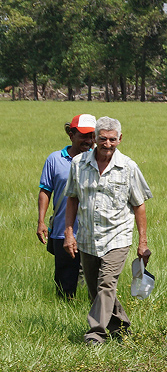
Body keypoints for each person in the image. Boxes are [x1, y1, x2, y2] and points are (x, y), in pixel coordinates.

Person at [62, 117, 152, 345]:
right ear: (95, 138)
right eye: (103, 138)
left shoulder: (128, 167)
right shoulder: (79, 164)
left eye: (113, 139)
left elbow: (139, 205)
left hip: (117, 236)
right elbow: (72, 199)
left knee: (106, 284)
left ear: (120, 139)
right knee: (95, 290)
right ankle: (120, 326)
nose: (108, 144)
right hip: (88, 236)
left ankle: (96, 333)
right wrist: (69, 232)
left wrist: (142, 242)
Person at [37, 114, 95, 299]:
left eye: (92, 135)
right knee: (65, 283)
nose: (89, 141)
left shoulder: (98, 160)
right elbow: (45, 191)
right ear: (71, 134)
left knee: (94, 283)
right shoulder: (55, 159)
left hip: (93, 232)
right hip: (63, 231)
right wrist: (41, 222)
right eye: (84, 136)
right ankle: (66, 314)